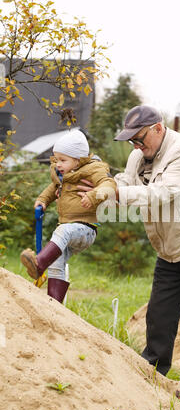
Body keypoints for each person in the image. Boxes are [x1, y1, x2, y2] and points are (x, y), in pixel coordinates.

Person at [79, 105, 180, 406]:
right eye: (132, 142)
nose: (137, 147)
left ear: (158, 128)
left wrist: (117, 195)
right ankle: (151, 379)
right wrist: (104, 186)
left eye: (140, 139)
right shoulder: (138, 155)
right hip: (169, 251)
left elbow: (161, 194)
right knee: (159, 319)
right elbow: (126, 183)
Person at [20, 129, 116, 303]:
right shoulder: (62, 175)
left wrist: (94, 196)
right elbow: (52, 189)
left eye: (63, 160)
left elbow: (109, 184)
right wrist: (42, 200)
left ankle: (39, 264)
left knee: (63, 230)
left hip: (85, 229)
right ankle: (54, 305)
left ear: (78, 160)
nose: (58, 164)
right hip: (69, 230)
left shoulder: (93, 169)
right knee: (57, 263)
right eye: (56, 160)